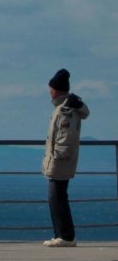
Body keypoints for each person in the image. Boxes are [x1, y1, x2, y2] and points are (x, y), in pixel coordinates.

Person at [42, 67, 89, 248]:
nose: (49, 92)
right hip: (62, 160)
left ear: (57, 89)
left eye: (51, 88)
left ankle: (66, 236)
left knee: (56, 197)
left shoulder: (65, 110)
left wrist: (57, 156)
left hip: (60, 161)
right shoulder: (67, 107)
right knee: (57, 196)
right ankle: (61, 234)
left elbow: (65, 136)